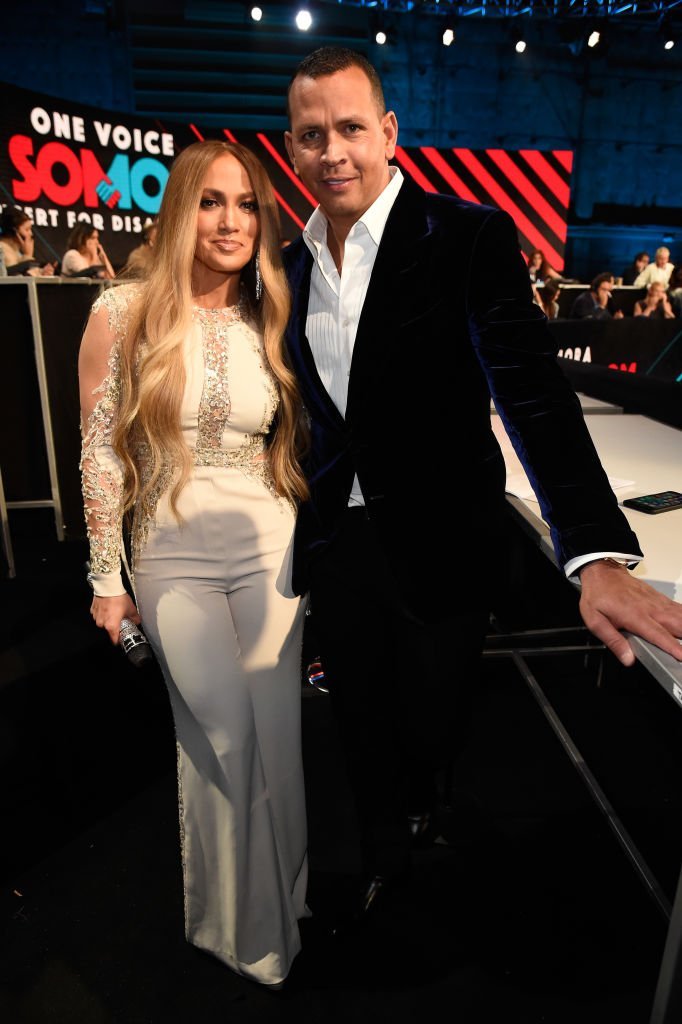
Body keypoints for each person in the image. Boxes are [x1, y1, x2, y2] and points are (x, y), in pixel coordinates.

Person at [282, 45, 682, 931]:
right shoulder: (293, 260)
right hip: (340, 547)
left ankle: (432, 807)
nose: (334, 151)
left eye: (351, 128)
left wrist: (594, 551)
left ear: (388, 133)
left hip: (444, 544)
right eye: (313, 135)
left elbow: (534, 396)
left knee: (435, 719)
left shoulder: (466, 236)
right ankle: (386, 858)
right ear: (294, 149)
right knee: (356, 719)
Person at [78, 140, 310, 988]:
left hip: (270, 549)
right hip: (170, 549)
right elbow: (101, 452)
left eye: (247, 205)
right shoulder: (123, 308)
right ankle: (240, 931)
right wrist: (108, 579)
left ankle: (284, 900)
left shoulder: (269, 310)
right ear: (181, 210)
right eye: (211, 202)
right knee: (223, 735)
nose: (231, 222)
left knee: (278, 740)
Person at [0, 207, 55, 277]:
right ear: (14, 231)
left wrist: (42, 273)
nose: (31, 234)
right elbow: (17, 281)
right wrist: (28, 255)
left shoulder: (17, 252)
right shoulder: (3, 250)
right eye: (27, 229)